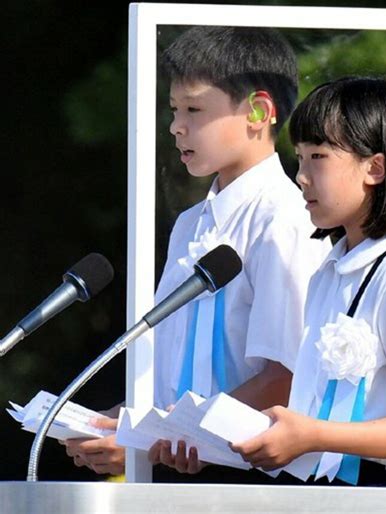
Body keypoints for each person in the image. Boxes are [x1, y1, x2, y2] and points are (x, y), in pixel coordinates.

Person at [61, 26, 330, 481]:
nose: (175, 126)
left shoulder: (284, 218)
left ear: (259, 112)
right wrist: (115, 422)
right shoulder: (190, 224)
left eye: (194, 109)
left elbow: (287, 377)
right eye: (173, 109)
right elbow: (171, 374)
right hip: (185, 474)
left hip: (253, 478)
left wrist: (151, 437)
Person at [231, 76, 386, 503]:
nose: (302, 177)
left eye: (319, 157)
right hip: (317, 492)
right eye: (299, 158)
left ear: (376, 168)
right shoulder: (329, 271)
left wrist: (312, 435)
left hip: (374, 494)